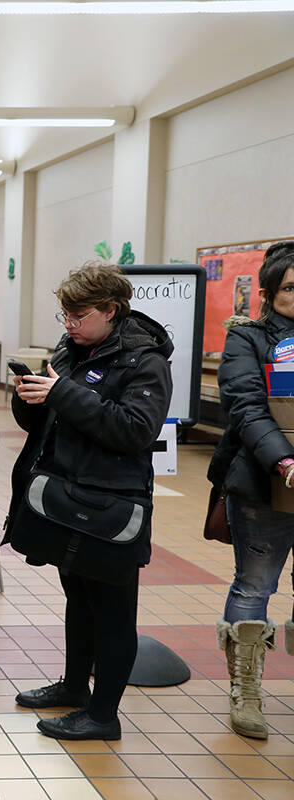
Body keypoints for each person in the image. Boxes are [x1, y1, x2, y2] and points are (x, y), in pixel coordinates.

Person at [5, 263, 172, 741]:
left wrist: (62, 392)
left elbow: (134, 430)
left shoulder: (146, 360)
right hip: (68, 495)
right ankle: (76, 686)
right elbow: (49, 421)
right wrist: (30, 398)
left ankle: (103, 716)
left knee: (114, 610)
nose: (70, 324)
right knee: (78, 598)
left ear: (111, 310)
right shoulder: (73, 348)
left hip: (112, 505)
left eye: (79, 315)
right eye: (65, 315)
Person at [215, 240, 294, 740]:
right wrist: (285, 460)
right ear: (268, 292)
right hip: (265, 484)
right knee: (255, 584)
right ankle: (246, 692)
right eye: (290, 287)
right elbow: (244, 405)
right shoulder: (248, 339)